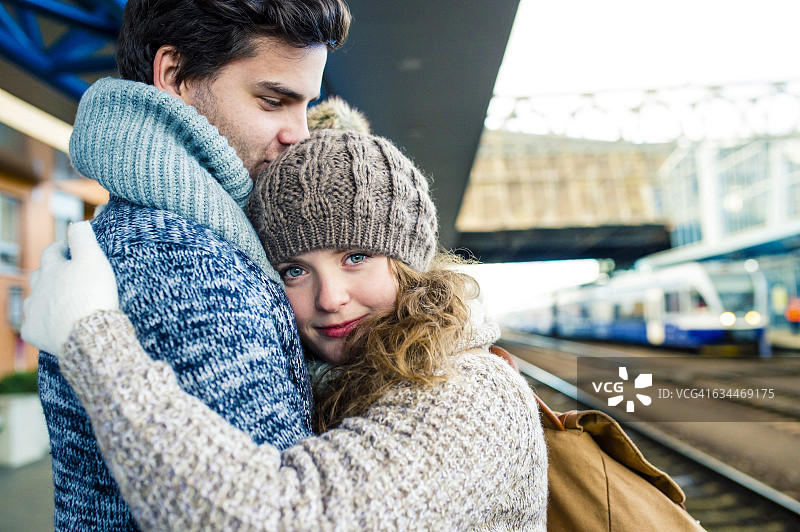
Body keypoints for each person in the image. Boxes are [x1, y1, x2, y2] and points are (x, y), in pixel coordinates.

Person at [23, 130, 548, 530]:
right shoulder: (327, 379)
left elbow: (280, 518)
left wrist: (92, 339)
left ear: (408, 263)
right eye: (294, 270)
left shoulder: (474, 392)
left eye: (356, 256)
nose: (329, 298)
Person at [36, 1, 351, 529]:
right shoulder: (188, 265)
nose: (300, 132)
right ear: (175, 76)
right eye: (274, 101)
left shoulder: (140, 235)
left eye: (306, 106)